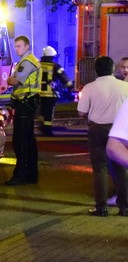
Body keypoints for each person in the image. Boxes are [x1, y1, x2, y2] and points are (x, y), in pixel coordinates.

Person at [77, 56, 128, 216]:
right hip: (119, 130)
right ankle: (125, 207)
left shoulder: (89, 88)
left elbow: (81, 112)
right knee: (121, 169)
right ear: (113, 69)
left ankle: (101, 208)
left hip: (97, 130)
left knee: (100, 169)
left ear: (96, 70)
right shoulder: (124, 87)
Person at [5, 35, 41, 186]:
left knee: (20, 141)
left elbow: (14, 80)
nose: (16, 48)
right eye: (15, 46)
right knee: (28, 140)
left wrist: (9, 78)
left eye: (19, 46)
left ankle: (20, 174)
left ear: (27, 46)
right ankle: (31, 174)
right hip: (28, 103)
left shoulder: (27, 62)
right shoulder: (28, 61)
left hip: (25, 103)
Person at [38, 45, 72, 136]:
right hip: (49, 94)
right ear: (52, 56)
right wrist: (70, 86)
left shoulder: (37, 65)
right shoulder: (55, 66)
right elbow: (63, 77)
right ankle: (47, 130)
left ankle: (42, 127)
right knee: (49, 112)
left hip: (37, 93)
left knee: (41, 111)